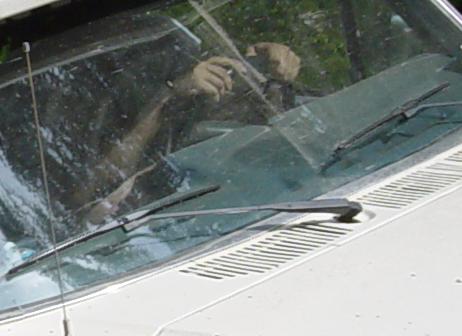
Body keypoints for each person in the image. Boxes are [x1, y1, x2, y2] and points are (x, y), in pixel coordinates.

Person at [77, 41, 300, 221]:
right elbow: (94, 189)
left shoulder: (213, 128)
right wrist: (172, 96)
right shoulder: (102, 121)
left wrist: (275, 75)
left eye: (217, 76)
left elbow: (284, 144)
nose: (208, 83)